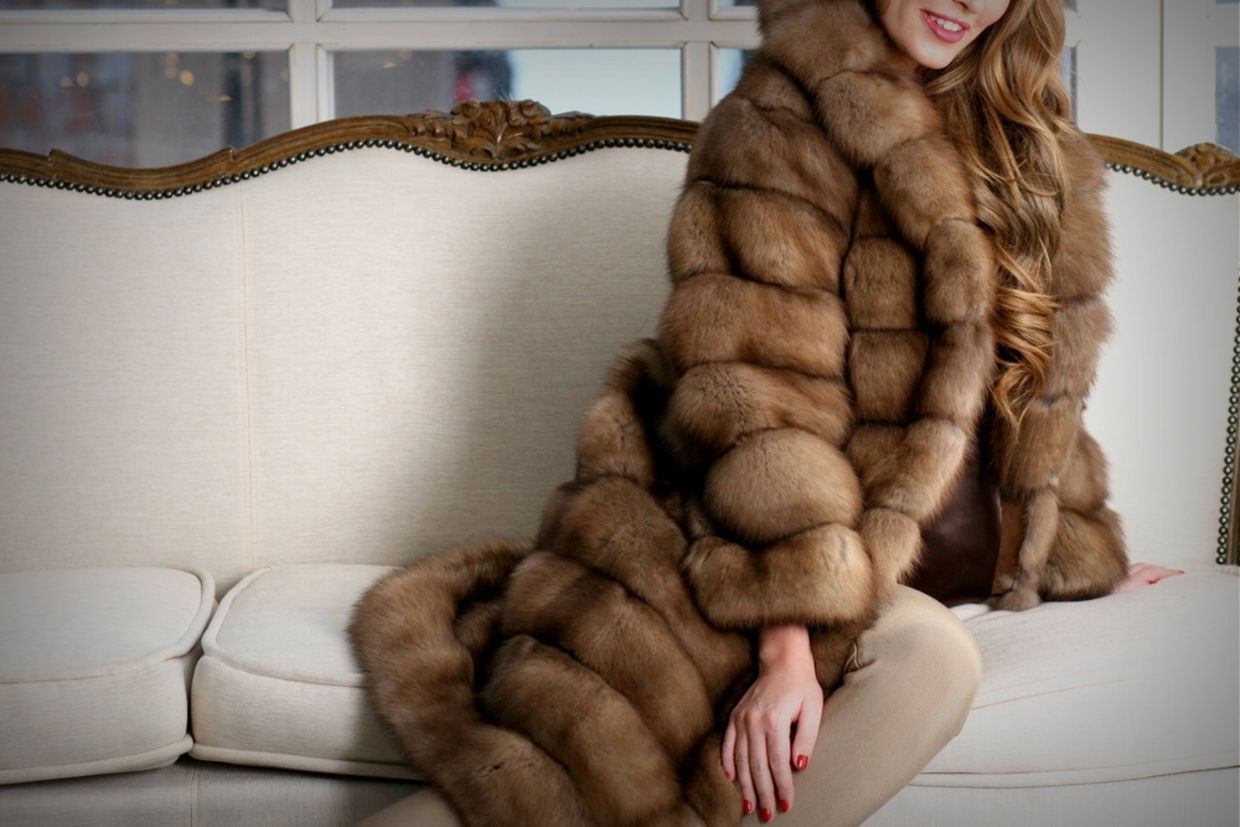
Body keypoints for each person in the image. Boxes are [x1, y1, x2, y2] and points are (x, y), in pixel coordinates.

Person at [354, 1, 1185, 824]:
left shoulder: (1030, 137)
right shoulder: (775, 122)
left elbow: (1034, 390)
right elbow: (755, 397)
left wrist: (1072, 542)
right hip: (752, 545)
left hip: (920, 561)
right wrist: (788, 639)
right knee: (570, 782)